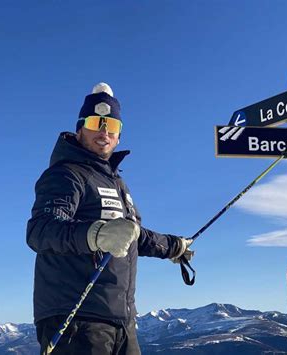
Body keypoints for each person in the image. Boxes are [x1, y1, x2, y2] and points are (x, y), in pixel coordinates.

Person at [26, 83, 193, 354]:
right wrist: (96, 234)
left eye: (112, 126)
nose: (104, 131)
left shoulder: (117, 183)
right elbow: (41, 230)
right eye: (96, 122)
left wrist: (174, 246)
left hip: (122, 320)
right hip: (76, 318)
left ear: (118, 135)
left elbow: (133, 235)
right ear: (80, 128)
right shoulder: (66, 175)